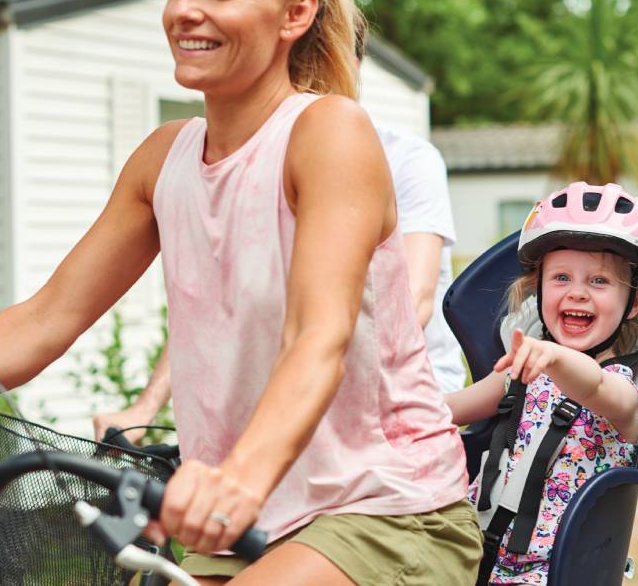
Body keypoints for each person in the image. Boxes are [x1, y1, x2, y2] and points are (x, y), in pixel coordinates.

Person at [0, 0, 480, 583]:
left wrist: (239, 481)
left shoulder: (328, 132)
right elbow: (48, 315)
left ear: (296, 13)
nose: (185, 9)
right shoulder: (161, 159)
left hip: (381, 505)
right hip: (239, 516)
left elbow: (319, 336)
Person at [92, 27, 465, 442]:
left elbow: (413, 302)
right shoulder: (254, 169)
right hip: (303, 398)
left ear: (350, 67)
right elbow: (217, 309)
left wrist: (291, 382)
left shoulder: (408, 160)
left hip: (403, 401)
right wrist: (144, 407)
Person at [444, 182, 638, 585]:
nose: (577, 293)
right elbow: (450, 409)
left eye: (599, 281)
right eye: (561, 277)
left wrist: (555, 357)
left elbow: (593, 387)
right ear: (538, 289)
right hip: (470, 552)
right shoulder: (523, 368)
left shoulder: (621, 392)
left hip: (553, 572)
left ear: (634, 302)